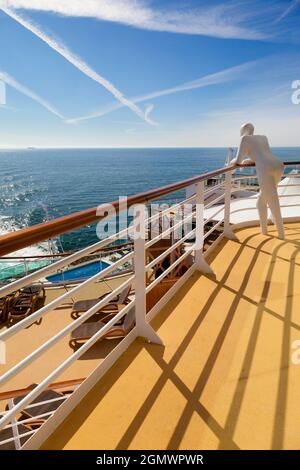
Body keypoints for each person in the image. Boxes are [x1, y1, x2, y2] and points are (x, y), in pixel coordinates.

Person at [230, 123, 285, 239]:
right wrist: (249, 160)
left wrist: (232, 163)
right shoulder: (263, 137)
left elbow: (238, 160)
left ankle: (281, 234)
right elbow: (262, 154)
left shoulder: (244, 138)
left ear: (242, 130)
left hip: (266, 168)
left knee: (273, 201)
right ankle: (264, 230)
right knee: (261, 201)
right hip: (278, 165)